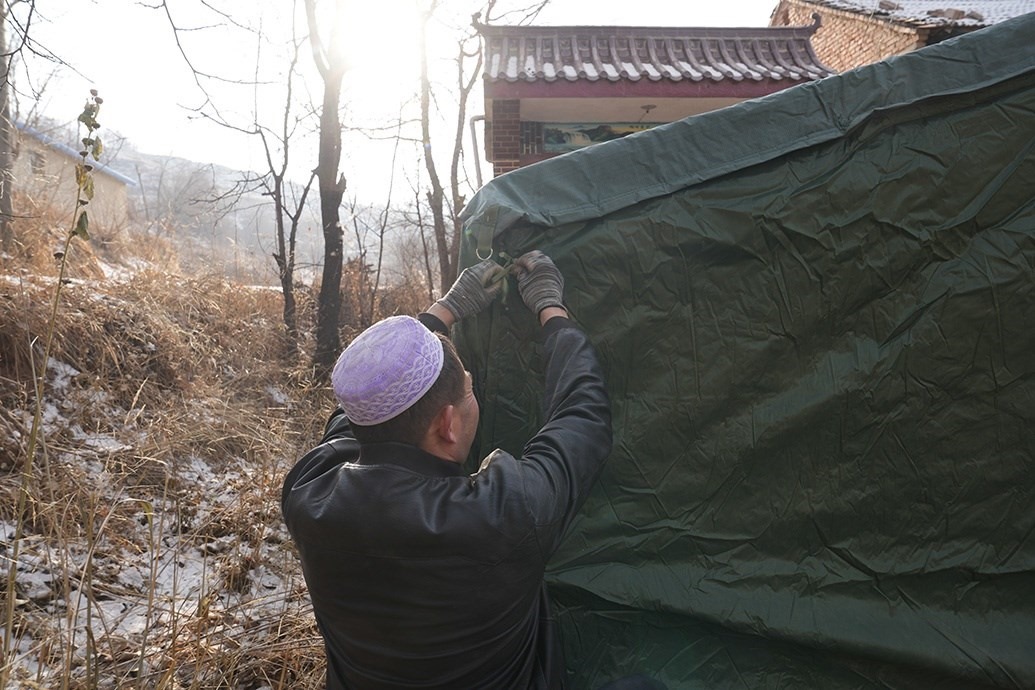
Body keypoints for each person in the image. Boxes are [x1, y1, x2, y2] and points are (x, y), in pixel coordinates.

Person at [281, 250, 613, 689]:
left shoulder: (307, 491)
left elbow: (359, 413)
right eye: (469, 390)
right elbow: (582, 416)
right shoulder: (502, 513)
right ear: (447, 425)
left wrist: (442, 312)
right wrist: (553, 310)